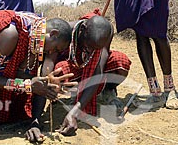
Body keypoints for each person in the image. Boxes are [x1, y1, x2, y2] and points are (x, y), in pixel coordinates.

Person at [26, 10, 131, 141]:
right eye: (88, 46)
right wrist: (35, 120)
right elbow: (47, 71)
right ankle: (75, 94)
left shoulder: (105, 33)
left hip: (95, 72)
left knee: (121, 61)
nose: (91, 51)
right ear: (82, 31)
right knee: (60, 71)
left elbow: (98, 69)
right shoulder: (65, 32)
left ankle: (107, 91)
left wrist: (74, 113)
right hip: (73, 69)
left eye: (95, 49)